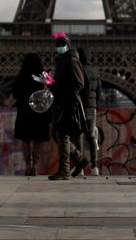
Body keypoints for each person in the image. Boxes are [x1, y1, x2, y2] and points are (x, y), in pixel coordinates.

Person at [48, 33, 89, 180]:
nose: (59, 47)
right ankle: (79, 158)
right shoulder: (63, 61)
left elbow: (79, 83)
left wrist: (58, 86)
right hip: (62, 102)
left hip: (68, 103)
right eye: (57, 45)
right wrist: (51, 83)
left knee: (63, 135)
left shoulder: (71, 60)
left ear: (68, 45)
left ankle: (64, 170)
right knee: (58, 135)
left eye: (61, 44)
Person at [12, 52, 52, 176]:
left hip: (24, 111)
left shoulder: (21, 74)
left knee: (25, 139)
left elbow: (15, 94)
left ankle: (27, 166)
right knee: (37, 140)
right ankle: (35, 165)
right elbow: (52, 90)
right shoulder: (44, 74)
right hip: (39, 112)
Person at [78, 47, 103, 176]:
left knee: (79, 135)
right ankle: (95, 166)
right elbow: (99, 94)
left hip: (80, 105)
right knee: (91, 135)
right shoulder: (95, 72)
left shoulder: (78, 70)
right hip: (91, 107)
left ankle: (80, 168)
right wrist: (94, 104)